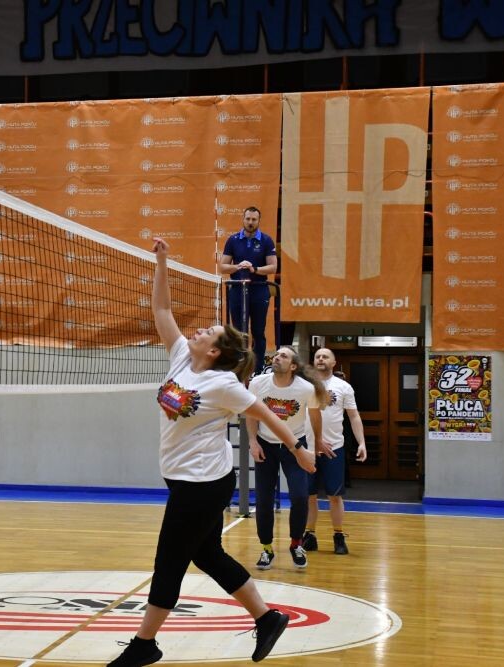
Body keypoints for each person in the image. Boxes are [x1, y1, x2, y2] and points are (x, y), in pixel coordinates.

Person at [107, 238, 316, 667]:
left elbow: (266, 414)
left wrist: (298, 449)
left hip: (203, 483)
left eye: (207, 333)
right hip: (183, 477)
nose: (198, 331)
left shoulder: (223, 385)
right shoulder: (182, 358)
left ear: (215, 351)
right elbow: (162, 310)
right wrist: (162, 262)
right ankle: (267, 618)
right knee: (207, 554)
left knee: (169, 561)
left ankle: (145, 644)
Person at [246, 346, 328, 571]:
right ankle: (267, 548)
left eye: (284, 356)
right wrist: (253, 441)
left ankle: (296, 544)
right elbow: (251, 414)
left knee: (300, 497)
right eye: (277, 354)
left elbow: (315, 416)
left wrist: (317, 443)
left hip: (295, 446)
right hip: (265, 444)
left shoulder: (306, 388)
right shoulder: (258, 383)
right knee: (263, 500)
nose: (277, 357)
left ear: (293, 366)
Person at [303, 348, 367, 555]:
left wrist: (361, 442)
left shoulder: (343, 387)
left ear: (333, 362)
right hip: (307, 448)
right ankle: (309, 535)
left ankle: (338, 535)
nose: (321, 359)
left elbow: (354, 416)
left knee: (335, 496)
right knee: (309, 495)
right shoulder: (303, 385)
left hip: (334, 448)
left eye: (325, 356)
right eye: (317, 356)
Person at [218, 206, 277, 374]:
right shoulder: (233, 240)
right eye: (248, 219)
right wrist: (238, 266)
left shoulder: (266, 240)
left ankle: (257, 370)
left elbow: (273, 267)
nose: (250, 222)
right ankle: (239, 368)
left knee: (258, 331)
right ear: (243, 219)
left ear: (258, 221)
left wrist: (254, 269)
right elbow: (223, 266)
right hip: (237, 289)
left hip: (259, 290)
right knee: (238, 332)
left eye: (254, 219)